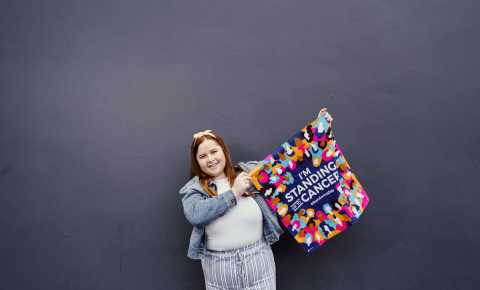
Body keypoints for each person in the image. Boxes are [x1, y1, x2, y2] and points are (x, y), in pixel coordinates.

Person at [179, 108, 333, 290]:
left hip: (258, 260)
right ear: (196, 161)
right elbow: (196, 215)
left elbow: (285, 165)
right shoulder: (193, 189)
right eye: (203, 156)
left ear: (224, 152)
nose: (210, 159)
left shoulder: (250, 172)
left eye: (214, 151)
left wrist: (318, 134)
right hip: (219, 268)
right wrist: (233, 193)